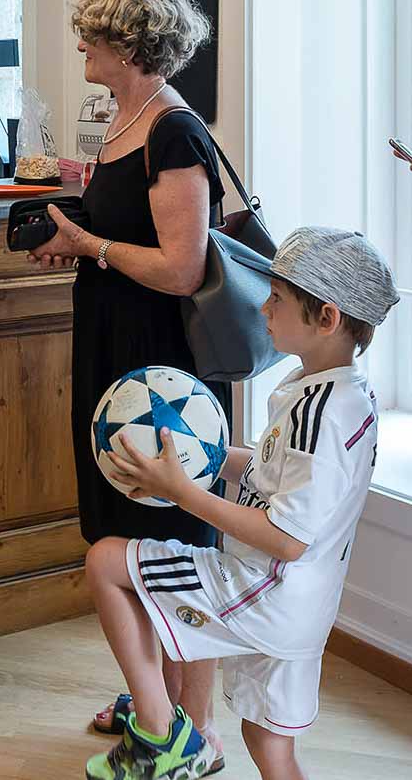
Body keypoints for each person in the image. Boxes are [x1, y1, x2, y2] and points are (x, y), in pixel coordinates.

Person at [83, 227, 397, 780]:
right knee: (268, 745)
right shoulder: (337, 392)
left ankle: (161, 736)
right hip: (301, 607)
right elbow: (277, 477)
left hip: (265, 590)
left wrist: (182, 491)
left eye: (276, 298)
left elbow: (287, 539)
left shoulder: (320, 414)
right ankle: (169, 735)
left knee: (106, 562)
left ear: (326, 318)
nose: (263, 307)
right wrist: (202, 457)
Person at [28, 0, 231, 761]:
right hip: (114, 346)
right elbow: (125, 235)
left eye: (93, 35)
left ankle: (197, 727)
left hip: (163, 366)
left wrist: (92, 246)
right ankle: (155, 700)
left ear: (131, 47)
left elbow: (181, 268)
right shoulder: (123, 119)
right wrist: (77, 241)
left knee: (172, 540)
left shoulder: (173, 131)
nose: (80, 44)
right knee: (127, 529)